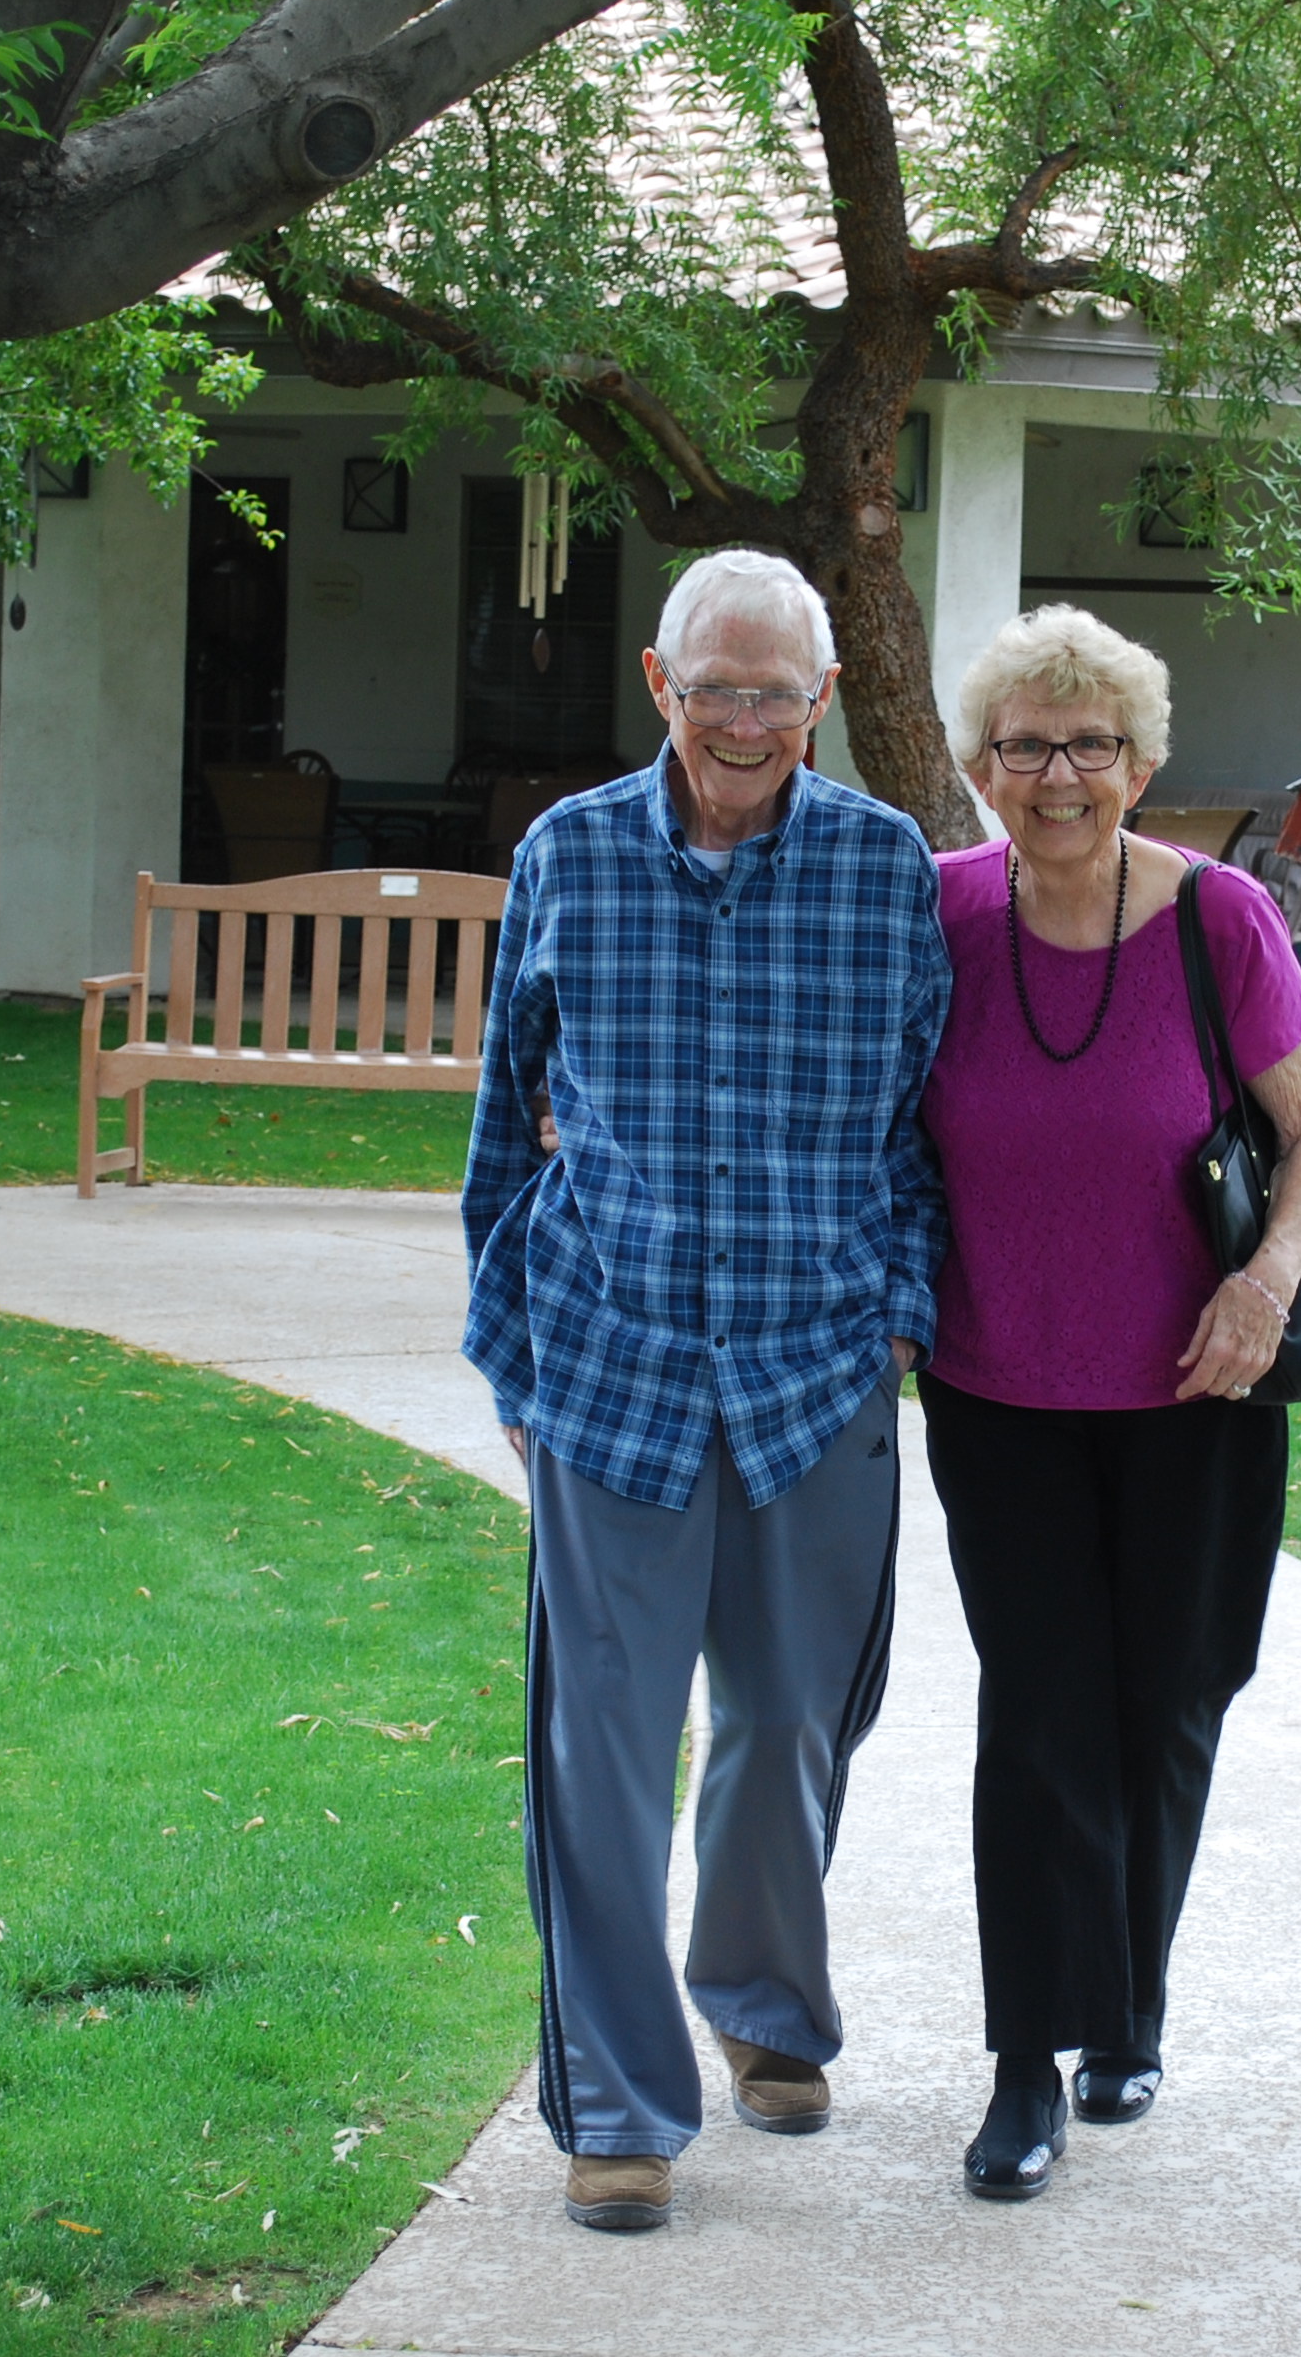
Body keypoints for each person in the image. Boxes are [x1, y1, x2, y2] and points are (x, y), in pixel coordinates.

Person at [461, 547, 952, 2233]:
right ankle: (617, 2102)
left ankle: (761, 2004)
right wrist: (509, 1346)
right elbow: (500, 1121)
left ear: (823, 698)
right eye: (716, 686)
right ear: (661, 686)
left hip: (819, 1369)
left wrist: (898, 1310)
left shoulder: (889, 870)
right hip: (612, 1366)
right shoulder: (569, 855)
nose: (747, 720)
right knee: (600, 1747)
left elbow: (918, 1130)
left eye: (779, 690)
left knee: (791, 1721)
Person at [915, 605, 1301, 2201]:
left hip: (1201, 1387)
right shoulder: (940, 915)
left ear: (1141, 763)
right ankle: (1028, 2062)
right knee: (1040, 1719)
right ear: (978, 768)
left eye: (1090, 744)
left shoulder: (1217, 921)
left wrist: (1265, 1287)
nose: (1058, 774)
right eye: (1024, 745)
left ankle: (1131, 2015)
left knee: (1168, 1698)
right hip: (998, 1385)